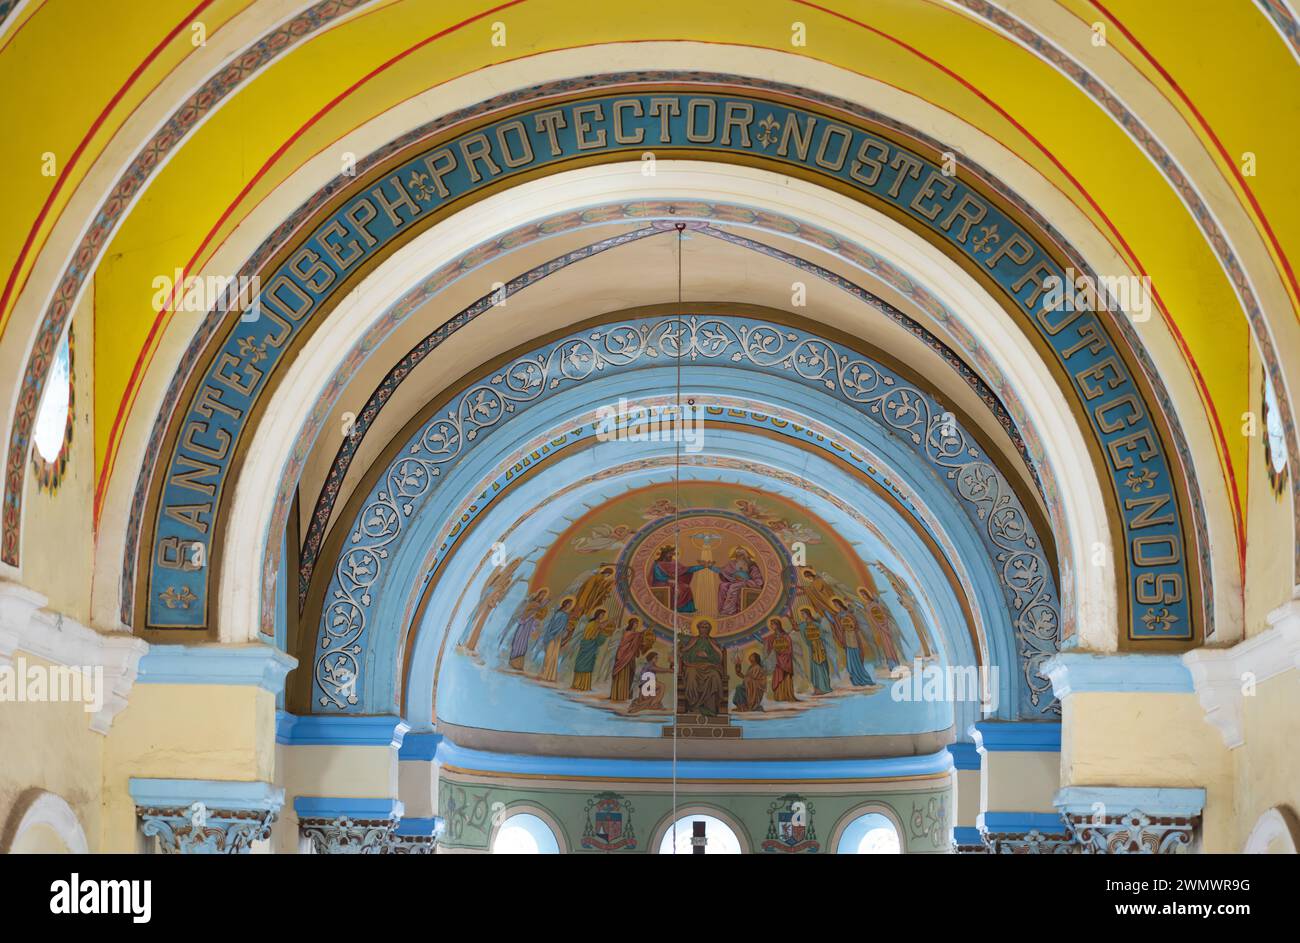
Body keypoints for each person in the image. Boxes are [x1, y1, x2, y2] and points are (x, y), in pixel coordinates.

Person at [678, 619, 727, 716]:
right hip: (693, 666)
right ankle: (694, 706)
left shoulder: (712, 642)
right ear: (698, 629)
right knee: (691, 676)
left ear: (709, 629)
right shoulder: (693, 640)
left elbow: (718, 658)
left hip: (709, 666)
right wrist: (696, 654)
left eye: (706, 627)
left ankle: (710, 707)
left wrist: (707, 656)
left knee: (714, 676)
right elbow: (685, 655)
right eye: (702, 627)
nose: (704, 629)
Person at [830, 596, 875, 687]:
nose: (836, 606)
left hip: (853, 638)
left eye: (836, 604)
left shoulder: (849, 613)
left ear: (840, 604)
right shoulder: (838, 616)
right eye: (834, 605)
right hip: (846, 639)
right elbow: (838, 628)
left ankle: (864, 678)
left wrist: (850, 626)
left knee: (857, 659)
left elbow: (856, 625)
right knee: (851, 661)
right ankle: (855, 679)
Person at [650, 545, 710, 612]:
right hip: (660, 582)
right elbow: (658, 576)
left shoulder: (673, 562)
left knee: (686, 587)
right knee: (679, 589)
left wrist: (702, 566)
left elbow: (686, 569)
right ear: (664, 554)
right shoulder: (657, 564)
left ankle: (686, 609)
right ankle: (677, 608)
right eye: (670, 554)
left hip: (672, 582)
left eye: (672, 554)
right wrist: (668, 580)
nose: (671, 556)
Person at [857, 585, 902, 669]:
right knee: (886, 646)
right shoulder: (867, 607)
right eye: (862, 595)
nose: (864, 596)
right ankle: (891, 664)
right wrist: (878, 626)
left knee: (890, 645)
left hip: (885, 626)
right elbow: (871, 617)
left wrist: (884, 624)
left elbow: (883, 614)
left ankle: (896, 662)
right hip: (879, 628)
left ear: (867, 595)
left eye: (864, 594)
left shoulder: (876, 603)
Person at [570, 607, 615, 691]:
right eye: (601, 614)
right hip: (587, 645)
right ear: (597, 614)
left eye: (603, 615)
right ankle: (576, 684)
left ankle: (584, 685)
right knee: (581, 663)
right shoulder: (592, 623)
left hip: (592, 647)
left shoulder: (597, 623)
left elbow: (601, 629)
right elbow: (599, 627)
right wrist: (608, 621)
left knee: (589, 665)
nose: (602, 616)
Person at [609, 616, 652, 701]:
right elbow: (627, 642)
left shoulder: (636, 634)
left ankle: (625, 695)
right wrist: (642, 633)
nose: (636, 625)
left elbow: (638, 642)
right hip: (623, 656)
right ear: (631, 624)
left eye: (637, 624)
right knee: (622, 675)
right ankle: (618, 695)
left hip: (630, 657)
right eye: (635, 623)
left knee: (630, 675)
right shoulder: (628, 633)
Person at [506, 589, 549, 671]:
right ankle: (512, 662)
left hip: (529, 625)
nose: (542, 596)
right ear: (538, 594)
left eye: (544, 595)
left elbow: (539, 616)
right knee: (518, 641)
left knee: (524, 643)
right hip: (524, 623)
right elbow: (524, 613)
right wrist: (534, 610)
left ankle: (518, 664)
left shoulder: (540, 605)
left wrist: (538, 615)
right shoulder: (531, 603)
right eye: (541, 594)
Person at [716, 546, 764, 616]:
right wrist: (712, 567)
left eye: (741, 555)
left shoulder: (751, 565)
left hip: (749, 583)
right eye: (737, 555)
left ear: (746, 555)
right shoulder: (733, 564)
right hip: (737, 582)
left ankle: (729, 610)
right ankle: (721, 610)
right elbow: (724, 571)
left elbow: (758, 580)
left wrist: (745, 580)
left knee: (733, 586)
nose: (739, 557)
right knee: (723, 586)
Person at [796, 606, 832, 695]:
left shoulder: (816, 624)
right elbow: (799, 629)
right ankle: (817, 688)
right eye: (801, 614)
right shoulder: (803, 625)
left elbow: (822, 634)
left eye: (803, 614)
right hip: (812, 648)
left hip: (819, 646)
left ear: (808, 614)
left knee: (821, 666)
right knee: (814, 668)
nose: (802, 616)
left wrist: (817, 641)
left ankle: (825, 687)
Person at [537, 596, 574, 682]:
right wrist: (554, 633)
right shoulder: (560, 613)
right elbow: (553, 624)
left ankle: (550, 676)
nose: (569, 606)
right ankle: (545, 674)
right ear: (565, 604)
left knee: (554, 656)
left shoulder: (565, 615)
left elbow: (562, 626)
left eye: (570, 604)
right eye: (569, 604)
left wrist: (566, 631)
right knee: (549, 655)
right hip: (553, 636)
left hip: (558, 637)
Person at [763, 616, 798, 702]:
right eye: (771, 625)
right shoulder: (772, 637)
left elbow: (789, 648)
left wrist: (783, 655)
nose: (771, 626)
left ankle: (787, 695)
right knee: (778, 677)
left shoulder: (785, 636)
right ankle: (779, 696)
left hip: (785, 660)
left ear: (777, 625)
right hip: (777, 662)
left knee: (785, 677)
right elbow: (768, 648)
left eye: (773, 624)